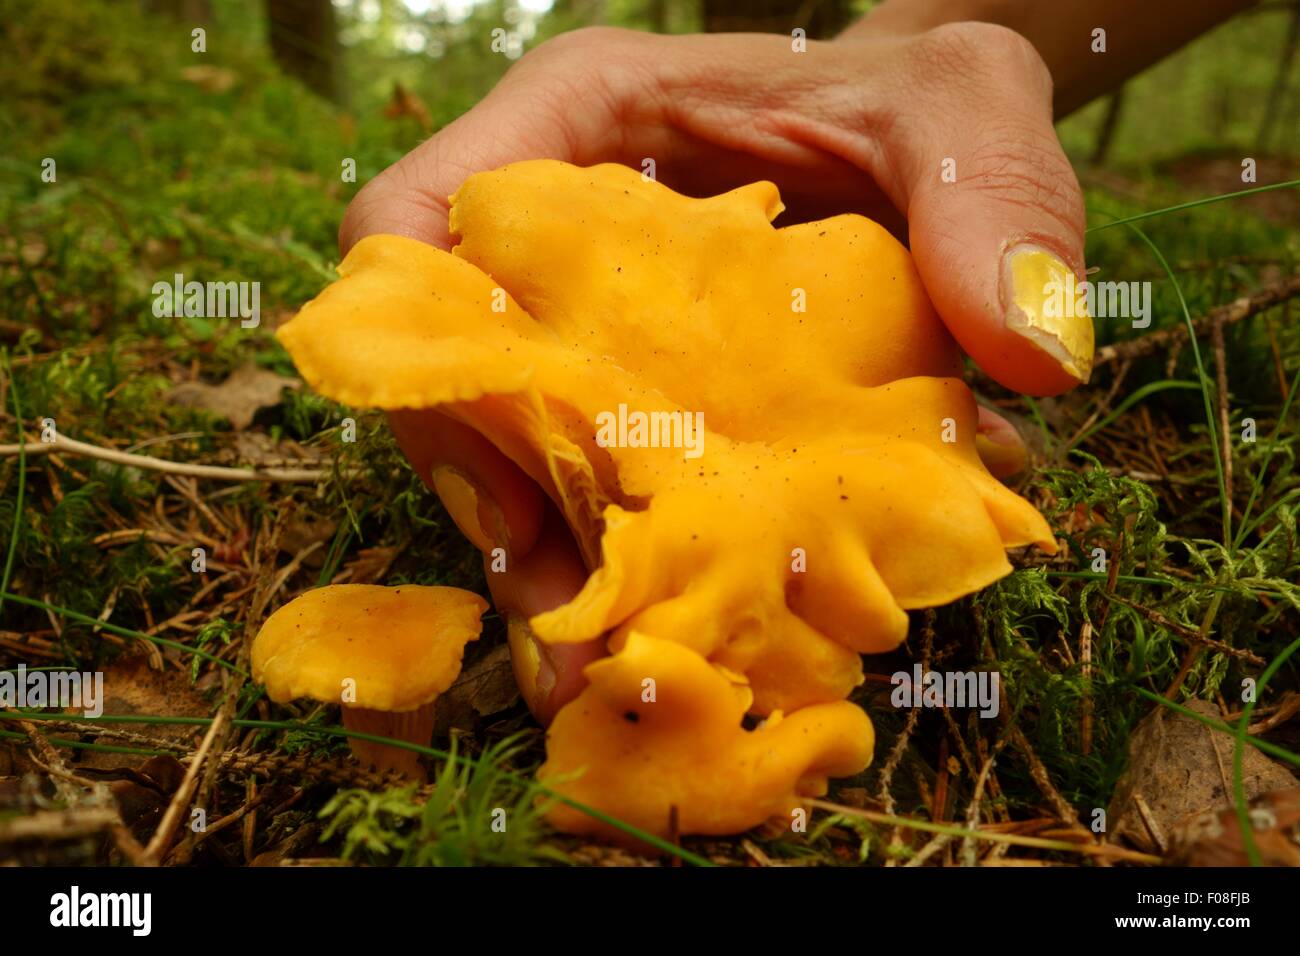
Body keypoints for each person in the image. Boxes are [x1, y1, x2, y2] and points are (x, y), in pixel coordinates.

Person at [339, 0, 1252, 722]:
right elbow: (410, 295)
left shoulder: (854, 302)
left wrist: (951, 66)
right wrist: (900, 60)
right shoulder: (531, 255)